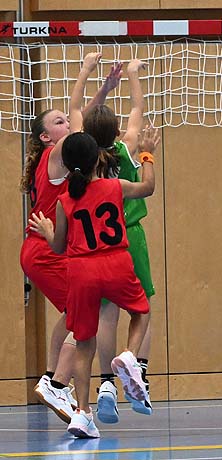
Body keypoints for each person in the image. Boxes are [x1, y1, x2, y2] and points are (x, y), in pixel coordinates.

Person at [29, 129, 160, 439]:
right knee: (141, 312)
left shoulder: (64, 201)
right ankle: (130, 355)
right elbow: (148, 187)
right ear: (98, 158)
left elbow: (58, 247)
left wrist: (47, 231)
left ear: (67, 164)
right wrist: (146, 154)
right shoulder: (115, 186)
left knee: (84, 342)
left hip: (81, 271)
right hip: (115, 262)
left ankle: (82, 413)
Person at [20, 53, 121, 423]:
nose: (67, 123)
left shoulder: (63, 155)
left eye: (65, 120)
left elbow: (83, 122)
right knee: (87, 311)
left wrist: (104, 90)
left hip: (45, 248)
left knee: (75, 312)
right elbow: (80, 116)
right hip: (46, 248)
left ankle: (52, 379)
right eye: (57, 121)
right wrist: (86, 71)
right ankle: (57, 383)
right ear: (46, 136)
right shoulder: (57, 152)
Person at [76, 59, 156, 422]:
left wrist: (91, 78)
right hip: (130, 237)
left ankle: (106, 383)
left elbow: (77, 113)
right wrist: (133, 75)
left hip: (97, 245)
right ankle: (139, 370)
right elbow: (138, 109)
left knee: (106, 315)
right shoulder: (127, 147)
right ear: (116, 131)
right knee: (143, 308)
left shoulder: (83, 161)